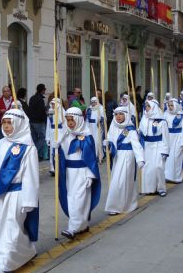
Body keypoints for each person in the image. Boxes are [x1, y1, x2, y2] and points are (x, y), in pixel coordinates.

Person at [0, 108, 39, 273]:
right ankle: (27, 251)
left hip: (19, 193)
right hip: (2, 193)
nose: (6, 127)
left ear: (19, 124)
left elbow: (31, 176)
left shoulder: (28, 148)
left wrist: (29, 200)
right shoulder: (0, 143)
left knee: (11, 226)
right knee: (7, 225)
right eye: (4, 123)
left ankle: (3, 266)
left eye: (10, 123)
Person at [55, 107, 101, 239]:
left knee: (80, 199)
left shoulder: (86, 136)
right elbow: (62, 154)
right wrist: (57, 147)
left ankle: (73, 228)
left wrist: (90, 175)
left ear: (79, 120)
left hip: (82, 173)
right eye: (68, 120)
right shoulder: (65, 134)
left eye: (72, 120)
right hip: (69, 173)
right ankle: (82, 224)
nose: (70, 123)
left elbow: (91, 158)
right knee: (71, 199)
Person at [104, 107, 144, 215]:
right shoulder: (113, 125)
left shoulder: (130, 129)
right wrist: (107, 143)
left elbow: (136, 145)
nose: (118, 116)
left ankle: (116, 206)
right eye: (116, 114)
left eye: (121, 114)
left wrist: (140, 159)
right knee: (118, 181)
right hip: (117, 157)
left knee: (121, 181)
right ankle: (124, 204)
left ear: (126, 115)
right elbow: (110, 138)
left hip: (127, 157)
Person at [139, 100, 169, 197]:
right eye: (146, 106)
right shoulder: (144, 119)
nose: (146, 108)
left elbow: (165, 137)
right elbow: (141, 132)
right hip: (147, 146)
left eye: (148, 106)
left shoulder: (162, 121)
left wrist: (165, 150)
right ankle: (149, 188)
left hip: (158, 145)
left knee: (158, 167)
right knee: (147, 168)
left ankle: (161, 188)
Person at [164, 99, 183, 183]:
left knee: (177, 158)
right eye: (169, 105)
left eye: (172, 105)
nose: (170, 107)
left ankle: (177, 177)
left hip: (178, 139)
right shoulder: (165, 114)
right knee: (168, 158)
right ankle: (168, 176)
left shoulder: (182, 116)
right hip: (168, 138)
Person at [45, 98, 65, 176]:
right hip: (52, 133)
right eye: (52, 104)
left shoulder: (63, 112)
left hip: (60, 133)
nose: (52, 105)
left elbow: (65, 126)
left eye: (54, 104)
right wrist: (48, 137)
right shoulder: (51, 112)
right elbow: (48, 125)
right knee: (52, 152)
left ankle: (60, 167)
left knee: (59, 150)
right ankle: (53, 168)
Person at [28, 83, 48, 161]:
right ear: (42, 90)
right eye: (44, 89)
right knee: (43, 137)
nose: (45, 90)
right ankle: (34, 152)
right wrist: (44, 114)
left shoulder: (32, 98)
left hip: (32, 121)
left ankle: (36, 155)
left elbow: (31, 109)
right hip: (39, 122)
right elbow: (40, 112)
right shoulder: (40, 99)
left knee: (34, 138)